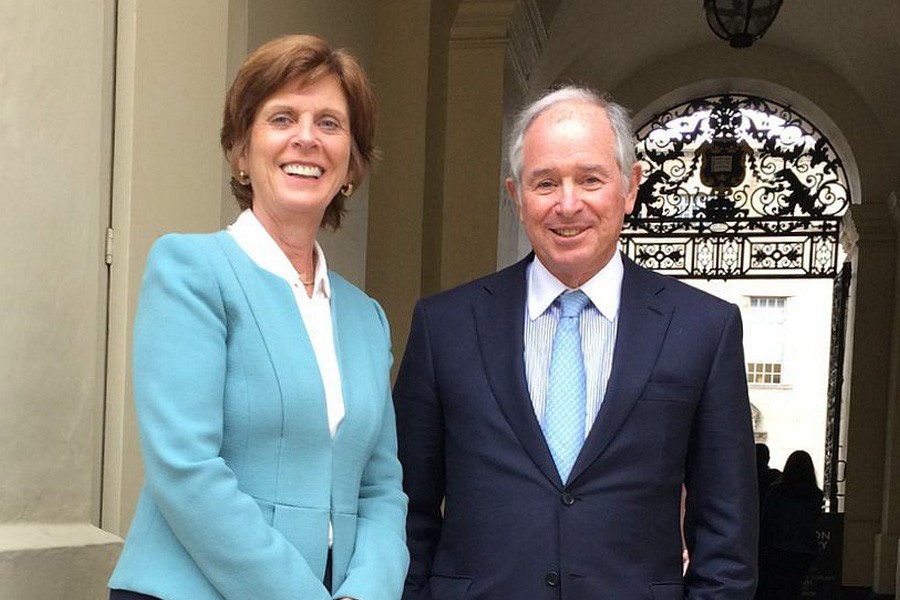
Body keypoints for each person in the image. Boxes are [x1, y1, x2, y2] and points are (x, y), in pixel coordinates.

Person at [393, 85, 758, 599]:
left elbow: (727, 534)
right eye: (545, 183)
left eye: (590, 179)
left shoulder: (703, 328)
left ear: (629, 187)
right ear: (516, 196)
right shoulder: (445, 325)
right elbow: (407, 507)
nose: (568, 205)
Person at [107, 34, 408, 600]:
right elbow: (186, 468)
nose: (306, 138)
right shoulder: (191, 271)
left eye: (329, 123)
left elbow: (382, 489)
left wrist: (366, 593)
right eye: (282, 118)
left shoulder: (367, 318)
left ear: (351, 164)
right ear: (241, 152)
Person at [759, 450, 824, 600]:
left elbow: (767, 519)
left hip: (778, 548)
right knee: (794, 590)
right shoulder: (815, 495)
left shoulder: (776, 491)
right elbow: (814, 520)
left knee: (775, 591)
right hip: (803, 551)